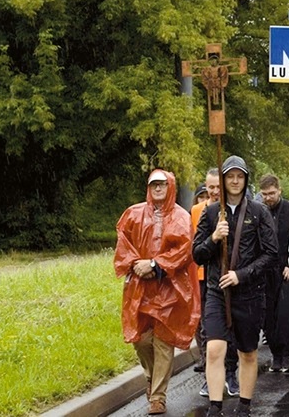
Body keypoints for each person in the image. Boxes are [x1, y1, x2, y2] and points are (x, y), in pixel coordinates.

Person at [193, 156, 279, 417]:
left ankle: (244, 405)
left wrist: (242, 275)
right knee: (215, 348)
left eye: (239, 176)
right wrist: (213, 238)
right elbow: (197, 254)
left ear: (245, 180)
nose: (234, 181)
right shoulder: (210, 213)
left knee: (248, 352)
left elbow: (271, 254)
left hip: (249, 293)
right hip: (217, 292)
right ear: (222, 180)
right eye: (229, 176)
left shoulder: (258, 211)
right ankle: (215, 407)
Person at [114, 169, 200, 415]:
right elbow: (123, 242)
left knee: (163, 341)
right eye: (154, 185)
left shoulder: (181, 217)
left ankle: (158, 396)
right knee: (141, 339)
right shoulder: (134, 213)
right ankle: (152, 378)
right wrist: (136, 265)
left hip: (169, 289)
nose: (158, 189)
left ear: (170, 186)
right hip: (139, 288)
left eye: (162, 184)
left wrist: (156, 264)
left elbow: (185, 249)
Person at [191, 169, 240, 397]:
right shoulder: (198, 211)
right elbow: (196, 247)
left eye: (218, 187)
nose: (214, 192)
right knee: (206, 328)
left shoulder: (237, 210)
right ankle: (209, 375)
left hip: (230, 278)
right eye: (210, 187)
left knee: (230, 326)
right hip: (204, 277)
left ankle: (230, 372)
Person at [259, 174, 289, 373]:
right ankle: (276, 354)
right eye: (265, 194)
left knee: (288, 314)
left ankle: (288, 354)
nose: (268, 198)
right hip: (266, 271)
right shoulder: (259, 212)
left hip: (288, 269)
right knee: (269, 315)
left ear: (279, 191)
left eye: (272, 193)